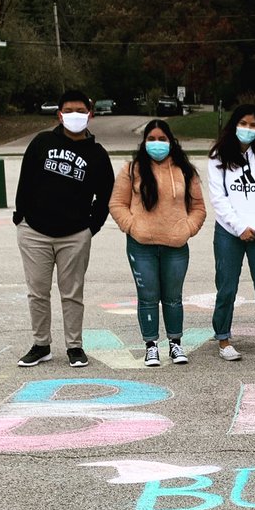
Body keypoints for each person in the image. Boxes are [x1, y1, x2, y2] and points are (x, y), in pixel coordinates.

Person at [12, 90, 115, 368]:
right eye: (68, 111)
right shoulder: (42, 142)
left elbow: (105, 196)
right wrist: (21, 217)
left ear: (90, 114)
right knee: (37, 292)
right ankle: (41, 344)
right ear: (59, 114)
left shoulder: (97, 154)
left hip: (74, 234)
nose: (74, 116)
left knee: (72, 294)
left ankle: (74, 346)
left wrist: (90, 228)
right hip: (35, 232)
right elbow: (25, 182)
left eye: (80, 111)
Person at [108, 118, 206, 367]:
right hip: (141, 246)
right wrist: (133, 227)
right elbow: (117, 204)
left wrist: (187, 229)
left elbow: (198, 208)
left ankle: (175, 344)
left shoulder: (185, 171)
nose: (157, 144)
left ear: (171, 142)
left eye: (162, 139)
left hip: (176, 246)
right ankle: (151, 346)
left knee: (173, 297)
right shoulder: (131, 169)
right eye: (151, 139)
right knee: (148, 296)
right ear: (144, 142)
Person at [207, 104, 255, 361]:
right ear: (234, 124)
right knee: (226, 287)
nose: (247, 129)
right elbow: (218, 197)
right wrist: (239, 227)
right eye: (243, 124)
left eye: (253, 125)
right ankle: (223, 339)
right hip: (229, 231)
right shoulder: (218, 155)